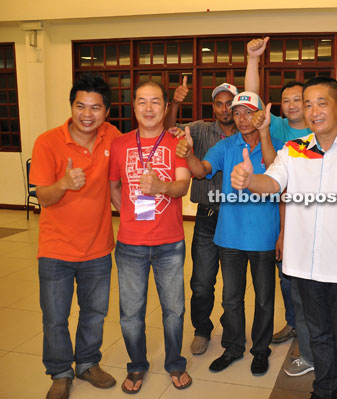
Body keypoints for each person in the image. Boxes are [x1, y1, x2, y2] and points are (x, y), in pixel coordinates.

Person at [230, 76, 337, 399]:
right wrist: (250, 180)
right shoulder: (295, 149)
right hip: (304, 267)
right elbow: (273, 183)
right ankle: (323, 391)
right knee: (318, 338)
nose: (314, 111)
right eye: (308, 104)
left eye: (322, 103)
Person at [177, 91, 283, 375]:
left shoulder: (274, 143)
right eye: (237, 113)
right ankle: (233, 347)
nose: (242, 118)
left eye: (248, 112)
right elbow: (202, 171)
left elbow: (276, 171)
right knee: (231, 298)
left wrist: (264, 135)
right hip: (230, 235)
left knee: (264, 299)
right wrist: (189, 156)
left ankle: (260, 349)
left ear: (260, 114)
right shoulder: (226, 146)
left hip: (263, 236)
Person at [30, 73, 120, 399]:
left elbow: (137, 155)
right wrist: (64, 184)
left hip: (97, 247)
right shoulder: (47, 142)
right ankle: (59, 371)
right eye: (80, 106)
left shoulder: (112, 136)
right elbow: (43, 196)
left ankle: (87, 363)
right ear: (71, 106)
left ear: (106, 112)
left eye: (95, 108)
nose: (87, 114)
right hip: (56, 249)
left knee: (94, 313)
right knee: (55, 317)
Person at [109, 81, 192, 393]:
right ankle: (136, 366)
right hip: (130, 243)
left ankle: (174, 363)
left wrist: (161, 188)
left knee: (174, 310)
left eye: (155, 102)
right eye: (142, 102)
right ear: (134, 107)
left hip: (170, 242)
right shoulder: (119, 144)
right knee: (131, 313)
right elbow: (114, 186)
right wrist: (128, 213)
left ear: (166, 107)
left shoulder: (177, 142)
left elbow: (182, 185)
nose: (148, 108)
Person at [245, 36, 315, 377]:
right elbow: (253, 101)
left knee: (308, 285)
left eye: (297, 99)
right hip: (281, 213)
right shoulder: (279, 126)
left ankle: (311, 339)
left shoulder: (320, 131)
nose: (290, 104)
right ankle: (293, 325)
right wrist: (254, 61)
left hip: (312, 216)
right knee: (286, 277)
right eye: (285, 99)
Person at [164, 79, 239, 356]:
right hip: (207, 219)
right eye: (219, 104)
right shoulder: (199, 129)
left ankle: (233, 333)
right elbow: (165, 130)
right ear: (213, 107)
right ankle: (202, 330)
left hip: (236, 218)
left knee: (234, 285)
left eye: (230, 103)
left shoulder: (247, 132)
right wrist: (175, 104)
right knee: (202, 282)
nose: (225, 109)